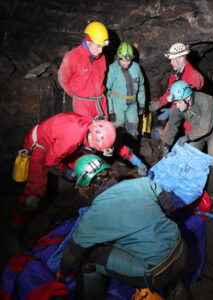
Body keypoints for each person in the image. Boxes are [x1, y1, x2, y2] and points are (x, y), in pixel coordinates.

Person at [56, 154, 188, 300]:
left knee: (90, 259)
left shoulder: (93, 217)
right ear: (110, 171)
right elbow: (169, 205)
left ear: (84, 187)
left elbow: (73, 253)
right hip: (181, 249)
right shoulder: (143, 183)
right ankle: (177, 283)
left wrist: (63, 271)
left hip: (157, 273)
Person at [12, 112, 147, 231]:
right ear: (93, 143)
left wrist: (136, 161)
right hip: (40, 145)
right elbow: (50, 162)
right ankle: (16, 229)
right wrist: (67, 173)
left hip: (59, 141)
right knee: (34, 194)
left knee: (87, 166)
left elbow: (115, 145)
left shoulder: (96, 129)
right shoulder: (71, 139)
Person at [159, 80, 213, 204]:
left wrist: (186, 138)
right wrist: (166, 144)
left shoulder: (206, 100)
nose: (177, 106)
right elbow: (173, 124)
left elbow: (206, 127)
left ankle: (212, 194)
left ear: (188, 97)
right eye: (175, 103)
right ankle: (190, 188)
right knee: (189, 156)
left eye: (178, 103)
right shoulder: (181, 104)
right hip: (198, 130)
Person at [58, 21, 110, 120]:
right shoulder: (72, 56)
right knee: (85, 132)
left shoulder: (102, 57)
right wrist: (77, 96)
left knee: (105, 133)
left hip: (101, 102)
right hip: (83, 105)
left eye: (102, 47)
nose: (101, 51)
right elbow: (63, 79)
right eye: (98, 46)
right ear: (88, 41)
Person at [148, 42, 204, 126]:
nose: (171, 63)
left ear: (181, 58)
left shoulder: (193, 76)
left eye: (173, 59)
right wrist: (159, 103)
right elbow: (170, 92)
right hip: (178, 110)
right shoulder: (175, 74)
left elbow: (191, 101)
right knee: (168, 133)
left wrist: (172, 111)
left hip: (191, 116)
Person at [106, 42, 145, 138]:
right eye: (123, 61)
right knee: (118, 131)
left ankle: (132, 149)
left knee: (133, 128)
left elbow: (141, 87)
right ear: (118, 58)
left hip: (132, 104)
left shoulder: (136, 67)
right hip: (117, 105)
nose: (126, 63)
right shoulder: (112, 69)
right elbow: (107, 91)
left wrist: (142, 104)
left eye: (129, 61)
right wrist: (110, 110)